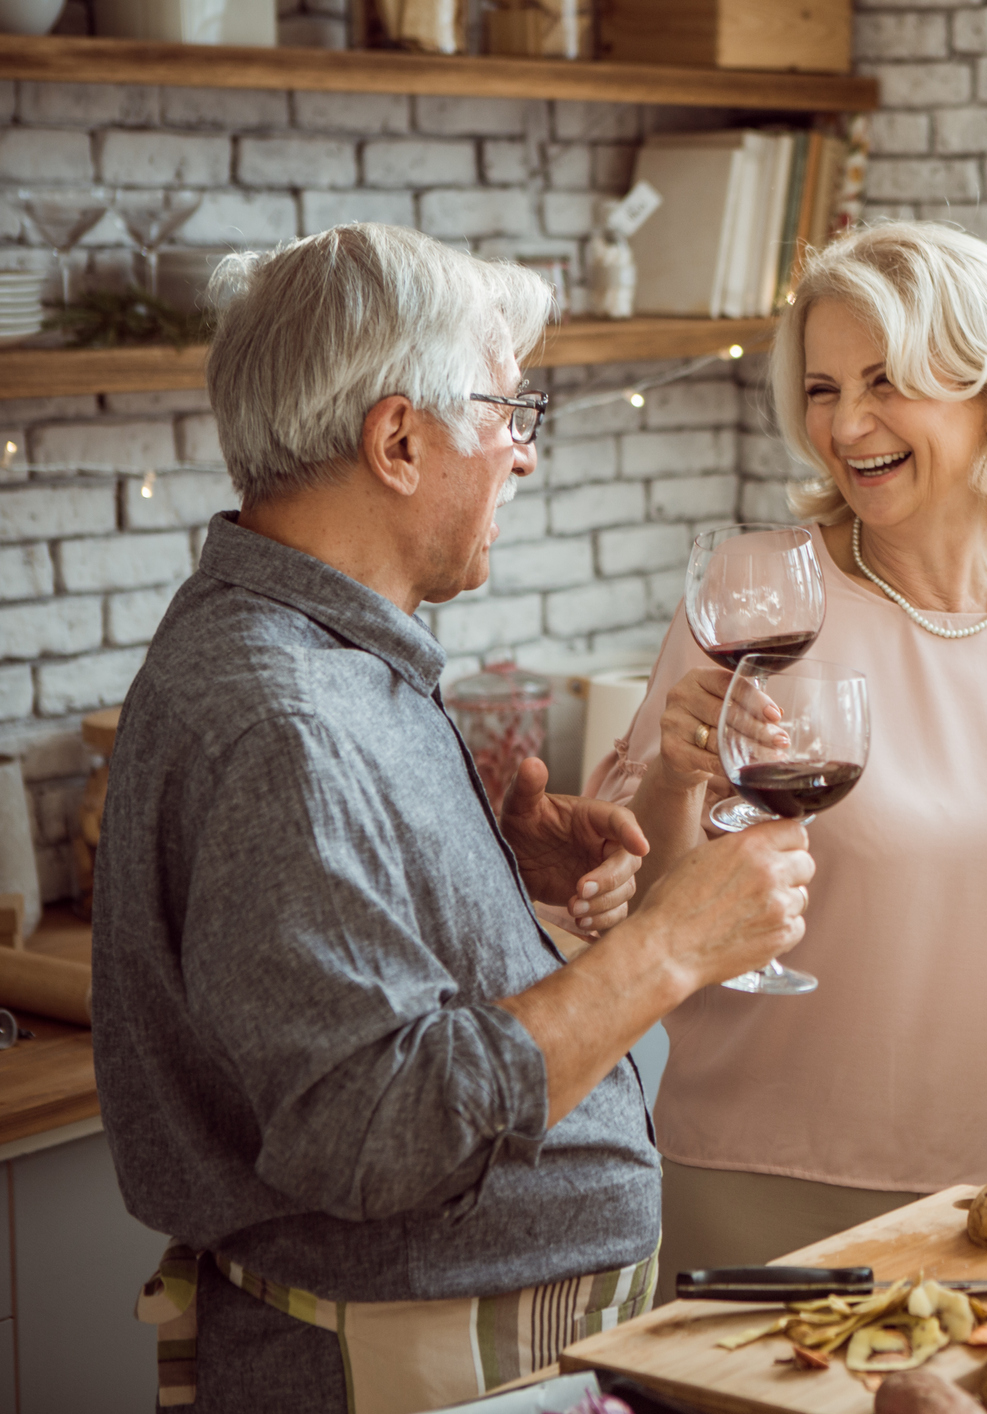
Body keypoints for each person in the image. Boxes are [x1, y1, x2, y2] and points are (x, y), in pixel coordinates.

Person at [93, 224, 814, 1413]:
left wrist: (483, 873)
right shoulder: (284, 720)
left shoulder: (324, 653)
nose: (521, 457)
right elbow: (376, 1127)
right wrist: (669, 944)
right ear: (396, 439)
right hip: (409, 1364)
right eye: (508, 413)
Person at [591, 221, 987, 1288]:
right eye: (823, 390)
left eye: (887, 381)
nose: (847, 424)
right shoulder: (753, 595)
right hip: (767, 1181)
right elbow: (648, 924)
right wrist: (677, 774)